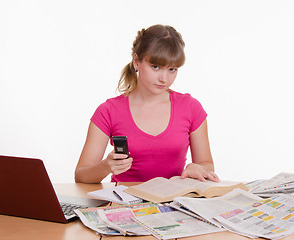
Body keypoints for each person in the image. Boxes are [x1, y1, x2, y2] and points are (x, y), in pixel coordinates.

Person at [75, 24, 219, 183]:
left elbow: (207, 164)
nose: (164, 79)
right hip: (124, 203)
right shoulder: (108, 111)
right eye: (155, 67)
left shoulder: (191, 108)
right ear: (137, 62)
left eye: (172, 69)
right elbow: (81, 175)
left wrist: (198, 168)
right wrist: (105, 167)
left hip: (173, 203)